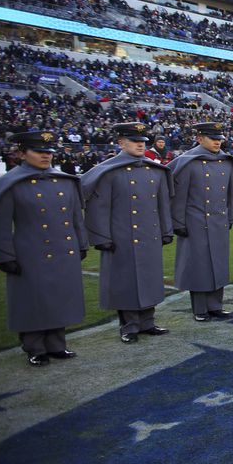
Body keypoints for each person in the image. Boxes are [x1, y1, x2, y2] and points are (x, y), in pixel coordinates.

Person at [0, 131, 86, 365]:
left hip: (63, 249)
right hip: (30, 251)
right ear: (22, 154)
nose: (45, 156)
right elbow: (0, 225)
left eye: (48, 151)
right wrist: (5, 256)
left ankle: (57, 344)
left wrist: (81, 244)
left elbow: (75, 218)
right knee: (33, 300)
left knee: (60, 296)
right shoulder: (11, 184)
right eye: (39, 151)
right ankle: (34, 347)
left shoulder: (65, 181)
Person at [81, 122, 173, 344]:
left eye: (143, 141)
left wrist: (166, 230)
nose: (140, 145)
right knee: (126, 283)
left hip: (149, 234)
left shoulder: (155, 170)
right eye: (134, 141)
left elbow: (163, 204)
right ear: (121, 143)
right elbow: (99, 207)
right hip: (121, 236)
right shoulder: (109, 171)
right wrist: (101, 237)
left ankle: (148, 322)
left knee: (149, 280)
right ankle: (129, 326)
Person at [170, 121, 233, 322]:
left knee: (218, 265)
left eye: (219, 139)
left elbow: (231, 193)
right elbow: (179, 197)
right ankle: (200, 308)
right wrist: (178, 223)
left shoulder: (226, 161)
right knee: (199, 266)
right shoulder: (188, 162)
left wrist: (230, 217)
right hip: (195, 222)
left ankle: (215, 305)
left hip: (219, 221)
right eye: (213, 139)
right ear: (199, 138)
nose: (217, 142)